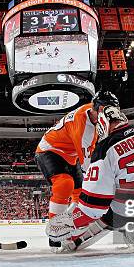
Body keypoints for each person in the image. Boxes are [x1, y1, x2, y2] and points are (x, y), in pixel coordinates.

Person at [69, 106, 134, 254]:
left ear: (103, 124)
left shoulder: (104, 147)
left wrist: (72, 221)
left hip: (125, 209)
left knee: (107, 201)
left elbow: (95, 199)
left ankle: (133, 231)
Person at [35, 90, 119, 248]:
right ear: (100, 110)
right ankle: (55, 234)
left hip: (70, 154)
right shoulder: (84, 126)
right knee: (64, 184)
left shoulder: (93, 115)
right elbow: (89, 166)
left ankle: (69, 228)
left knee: (80, 194)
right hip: (50, 150)